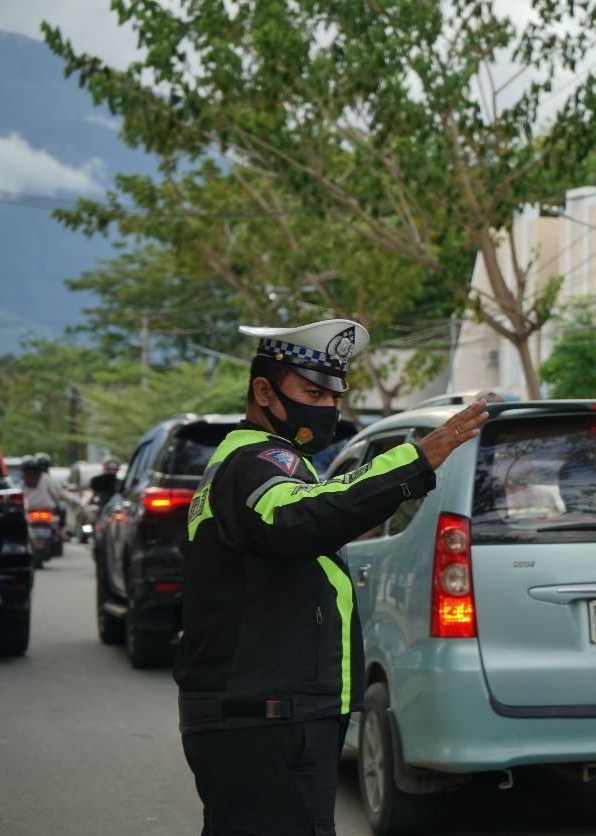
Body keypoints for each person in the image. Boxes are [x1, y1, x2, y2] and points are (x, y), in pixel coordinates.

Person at [173, 318, 488, 836]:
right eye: (311, 392)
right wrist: (416, 458)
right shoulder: (254, 464)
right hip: (266, 720)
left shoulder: (268, 464)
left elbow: (307, 529)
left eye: (333, 396)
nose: (327, 408)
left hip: (272, 715)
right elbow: (299, 517)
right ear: (263, 391)